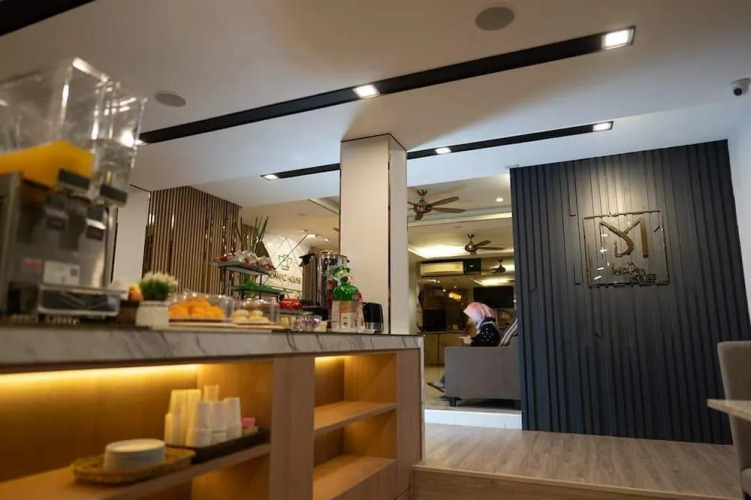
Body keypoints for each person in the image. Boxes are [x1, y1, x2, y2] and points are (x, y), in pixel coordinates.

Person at [428, 302, 501, 393]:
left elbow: (485, 343)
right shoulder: (487, 325)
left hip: (484, 358)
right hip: (486, 356)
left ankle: (445, 385)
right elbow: (484, 340)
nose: (469, 319)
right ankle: (446, 385)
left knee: (457, 359)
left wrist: (471, 341)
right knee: (457, 358)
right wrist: (471, 340)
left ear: (477, 315)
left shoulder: (487, 326)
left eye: (470, 316)